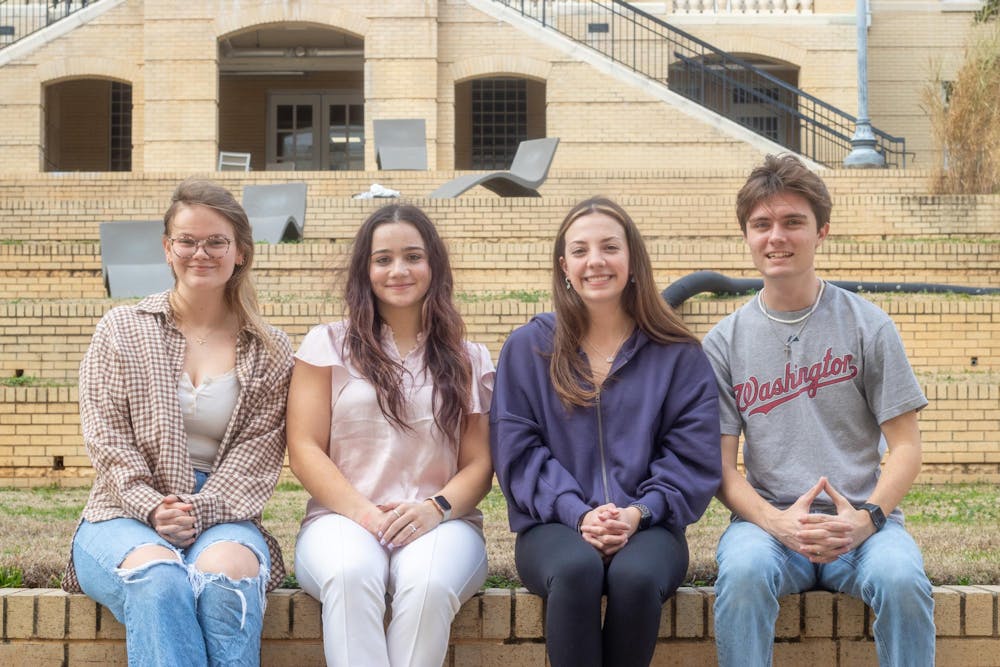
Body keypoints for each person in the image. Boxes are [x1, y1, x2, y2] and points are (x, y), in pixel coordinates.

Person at [704, 154, 935, 667]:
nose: (776, 237)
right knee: (741, 576)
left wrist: (867, 519)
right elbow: (720, 467)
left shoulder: (868, 326)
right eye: (761, 225)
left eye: (793, 222)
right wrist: (777, 523)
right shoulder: (724, 342)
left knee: (902, 581)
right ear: (746, 235)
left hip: (862, 523)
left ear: (821, 230)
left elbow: (906, 447)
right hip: (767, 526)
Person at [63, 179, 293, 666]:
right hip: (120, 508)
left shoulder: (271, 349)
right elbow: (106, 438)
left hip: (226, 509)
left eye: (216, 241)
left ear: (241, 253)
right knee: (158, 577)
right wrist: (151, 507)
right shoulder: (121, 330)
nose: (200, 253)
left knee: (226, 582)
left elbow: (257, 457)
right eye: (187, 240)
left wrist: (198, 511)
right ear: (168, 248)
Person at [490, 197, 722, 667]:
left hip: (651, 525)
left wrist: (637, 512)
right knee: (575, 570)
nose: (595, 261)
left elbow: (691, 456)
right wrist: (579, 514)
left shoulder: (677, 354)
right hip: (552, 525)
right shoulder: (527, 349)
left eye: (609, 247)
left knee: (635, 578)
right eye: (579, 251)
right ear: (564, 267)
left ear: (632, 259)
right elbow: (518, 452)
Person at [287, 203, 494, 667]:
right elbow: (303, 448)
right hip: (340, 519)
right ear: (366, 269)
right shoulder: (327, 345)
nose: (398, 270)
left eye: (413, 256)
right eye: (383, 259)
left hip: (443, 522)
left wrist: (433, 509)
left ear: (433, 265)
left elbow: (480, 464)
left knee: (430, 584)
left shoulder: (469, 358)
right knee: (349, 572)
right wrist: (363, 513)